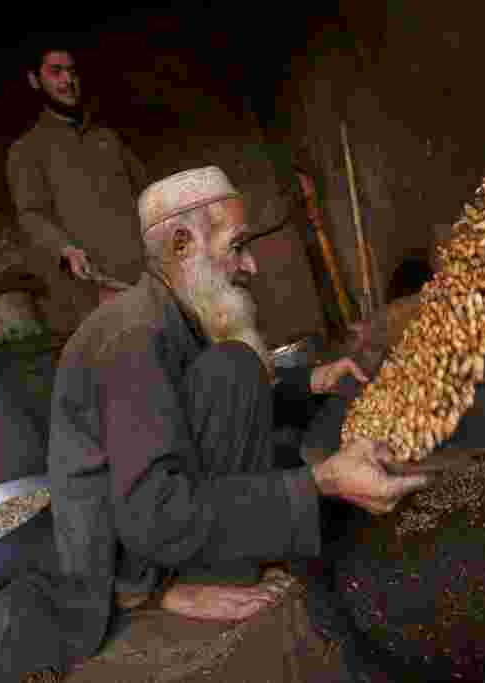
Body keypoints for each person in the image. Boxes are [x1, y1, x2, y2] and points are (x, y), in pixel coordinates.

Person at [44, 166, 438, 662]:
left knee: (234, 371)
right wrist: (320, 483)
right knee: (234, 368)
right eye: (236, 245)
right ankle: (175, 585)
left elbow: (189, 409)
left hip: (144, 517)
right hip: (121, 560)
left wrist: (309, 383)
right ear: (183, 245)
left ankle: (205, 563)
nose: (249, 265)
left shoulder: (171, 310)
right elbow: (150, 511)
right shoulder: (131, 337)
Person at [6, 40, 149, 336]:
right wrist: (65, 249)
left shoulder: (107, 137)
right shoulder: (27, 150)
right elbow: (31, 215)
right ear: (35, 81)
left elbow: (148, 192)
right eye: (55, 72)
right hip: (96, 290)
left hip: (149, 276)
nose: (67, 81)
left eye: (72, 72)